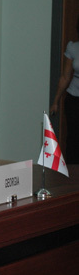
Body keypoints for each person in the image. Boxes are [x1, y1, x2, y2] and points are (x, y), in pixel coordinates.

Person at [50, 17, 79, 165]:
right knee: (74, 137)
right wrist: (56, 101)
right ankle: (73, 174)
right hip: (74, 98)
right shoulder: (73, 47)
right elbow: (65, 77)